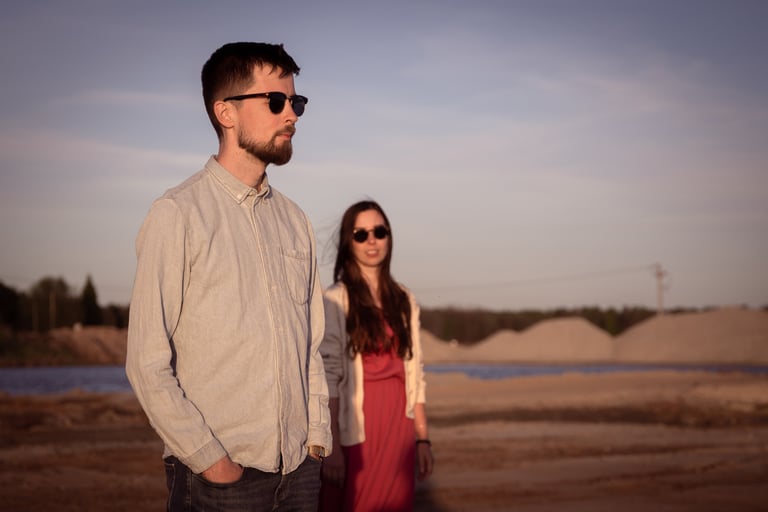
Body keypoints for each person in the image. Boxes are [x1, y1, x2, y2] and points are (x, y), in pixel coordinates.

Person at [125, 42, 331, 512]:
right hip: (222, 481)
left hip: (299, 473)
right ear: (226, 112)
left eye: (296, 102)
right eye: (275, 101)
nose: (292, 115)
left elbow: (310, 345)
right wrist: (211, 461)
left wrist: (316, 437)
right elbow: (146, 361)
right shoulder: (178, 214)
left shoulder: (295, 221)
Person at [319, 200, 434, 511]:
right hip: (357, 429)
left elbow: (415, 374)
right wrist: (332, 447)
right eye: (361, 234)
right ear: (349, 241)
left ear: (389, 237)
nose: (372, 241)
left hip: (400, 428)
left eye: (379, 232)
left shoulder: (405, 299)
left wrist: (422, 438)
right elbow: (328, 377)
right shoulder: (336, 299)